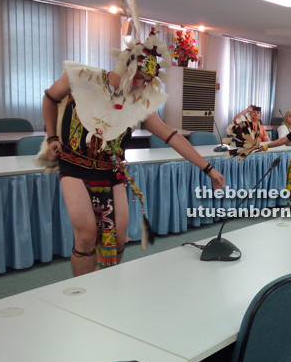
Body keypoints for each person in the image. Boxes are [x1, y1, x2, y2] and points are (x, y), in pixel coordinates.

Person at [41, 25, 224, 278]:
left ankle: (104, 286)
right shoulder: (83, 78)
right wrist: (51, 136)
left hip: (111, 170)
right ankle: (84, 294)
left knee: (117, 239)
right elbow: (50, 98)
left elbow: (171, 136)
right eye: (137, 76)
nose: (139, 84)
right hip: (74, 165)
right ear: (125, 65)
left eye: (146, 81)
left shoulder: (139, 104)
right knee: (85, 237)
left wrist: (208, 168)